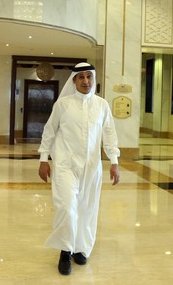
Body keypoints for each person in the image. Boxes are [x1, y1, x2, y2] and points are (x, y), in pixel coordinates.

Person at [38, 62, 120, 275]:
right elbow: (49, 131)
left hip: (92, 168)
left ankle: (80, 248)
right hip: (66, 165)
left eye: (89, 77)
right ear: (73, 80)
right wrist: (43, 159)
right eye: (81, 77)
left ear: (93, 79)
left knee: (86, 208)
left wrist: (114, 161)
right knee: (67, 207)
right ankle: (65, 251)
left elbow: (109, 134)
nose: (86, 81)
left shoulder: (102, 105)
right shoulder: (63, 105)